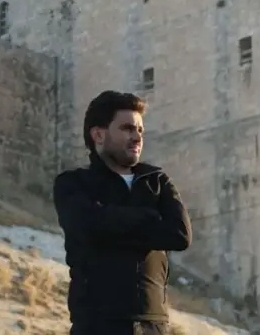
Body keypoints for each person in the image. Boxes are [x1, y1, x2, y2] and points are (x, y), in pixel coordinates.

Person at [53, 90, 192, 335]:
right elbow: (86, 225)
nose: (137, 137)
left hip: (153, 325)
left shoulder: (157, 181)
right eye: (127, 129)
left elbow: (180, 235)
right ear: (98, 134)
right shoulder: (73, 183)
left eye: (140, 130)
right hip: (98, 324)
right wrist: (148, 217)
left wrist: (112, 222)